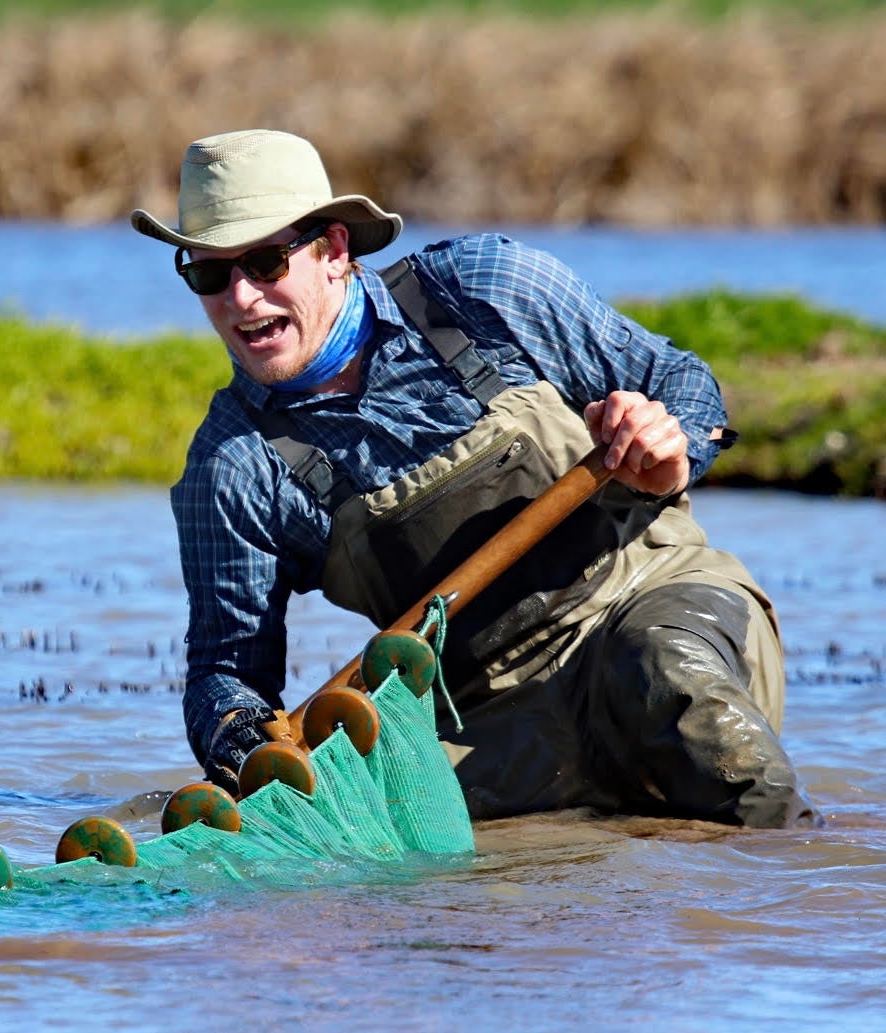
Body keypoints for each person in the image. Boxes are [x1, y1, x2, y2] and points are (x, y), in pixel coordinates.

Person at [131, 128, 819, 828]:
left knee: (676, 685)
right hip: (492, 717)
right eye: (209, 273)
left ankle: (801, 874)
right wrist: (241, 740)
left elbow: (681, 381)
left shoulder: (483, 288)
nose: (240, 298)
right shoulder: (232, 465)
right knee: (386, 838)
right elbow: (226, 670)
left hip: (656, 606)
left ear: (334, 250)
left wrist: (670, 447)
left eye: (265, 261)